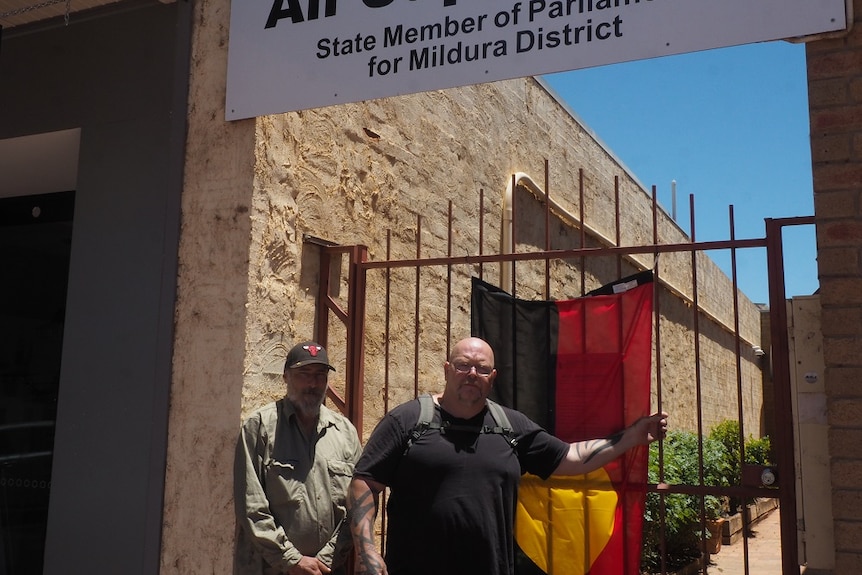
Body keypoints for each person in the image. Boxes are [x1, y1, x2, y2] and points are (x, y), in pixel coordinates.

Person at [348, 336, 668, 575]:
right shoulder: (408, 420)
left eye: (482, 368)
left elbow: (570, 458)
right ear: (447, 370)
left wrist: (633, 437)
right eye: (463, 365)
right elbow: (365, 482)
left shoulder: (510, 426)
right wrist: (366, 551)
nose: (472, 373)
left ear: (493, 377)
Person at [235, 341, 363, 575]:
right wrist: (291, 560)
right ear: (286, 377)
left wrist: (327, 558)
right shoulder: (260, 427)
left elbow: (358, 505)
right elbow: (251, 506)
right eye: (303, 374)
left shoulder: (345, 433)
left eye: (320, 375)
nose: (312, 383)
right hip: (271, 568)